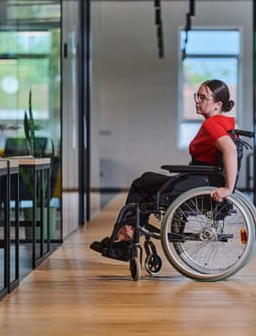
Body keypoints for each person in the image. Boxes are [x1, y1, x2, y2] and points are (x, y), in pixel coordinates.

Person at [90, 78, 238, 259]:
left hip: (196, 183)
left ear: (218, 104)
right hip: (201, 179)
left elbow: (229, 149)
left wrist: (228, 188)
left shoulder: (212, 124)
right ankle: (127, 237)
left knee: (142, 183)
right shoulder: (226, 123)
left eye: (203, 97)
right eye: (197, 96)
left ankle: (126, 240)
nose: (197, 101)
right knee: (147, 183)